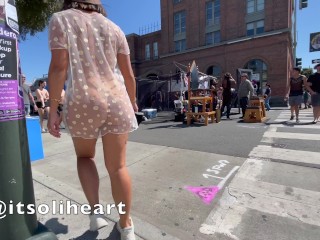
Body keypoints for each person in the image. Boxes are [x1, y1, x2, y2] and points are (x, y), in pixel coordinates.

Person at [47, 1, 138, 239]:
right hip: (117, 99)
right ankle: (126, 225)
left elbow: (58, 68)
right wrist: (133, 100)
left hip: (83, 101)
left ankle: (96, 212)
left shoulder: (61, 19)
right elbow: (128, 74)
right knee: (118, 166)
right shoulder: (114, 28)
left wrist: (53, 108)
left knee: (85, 157)